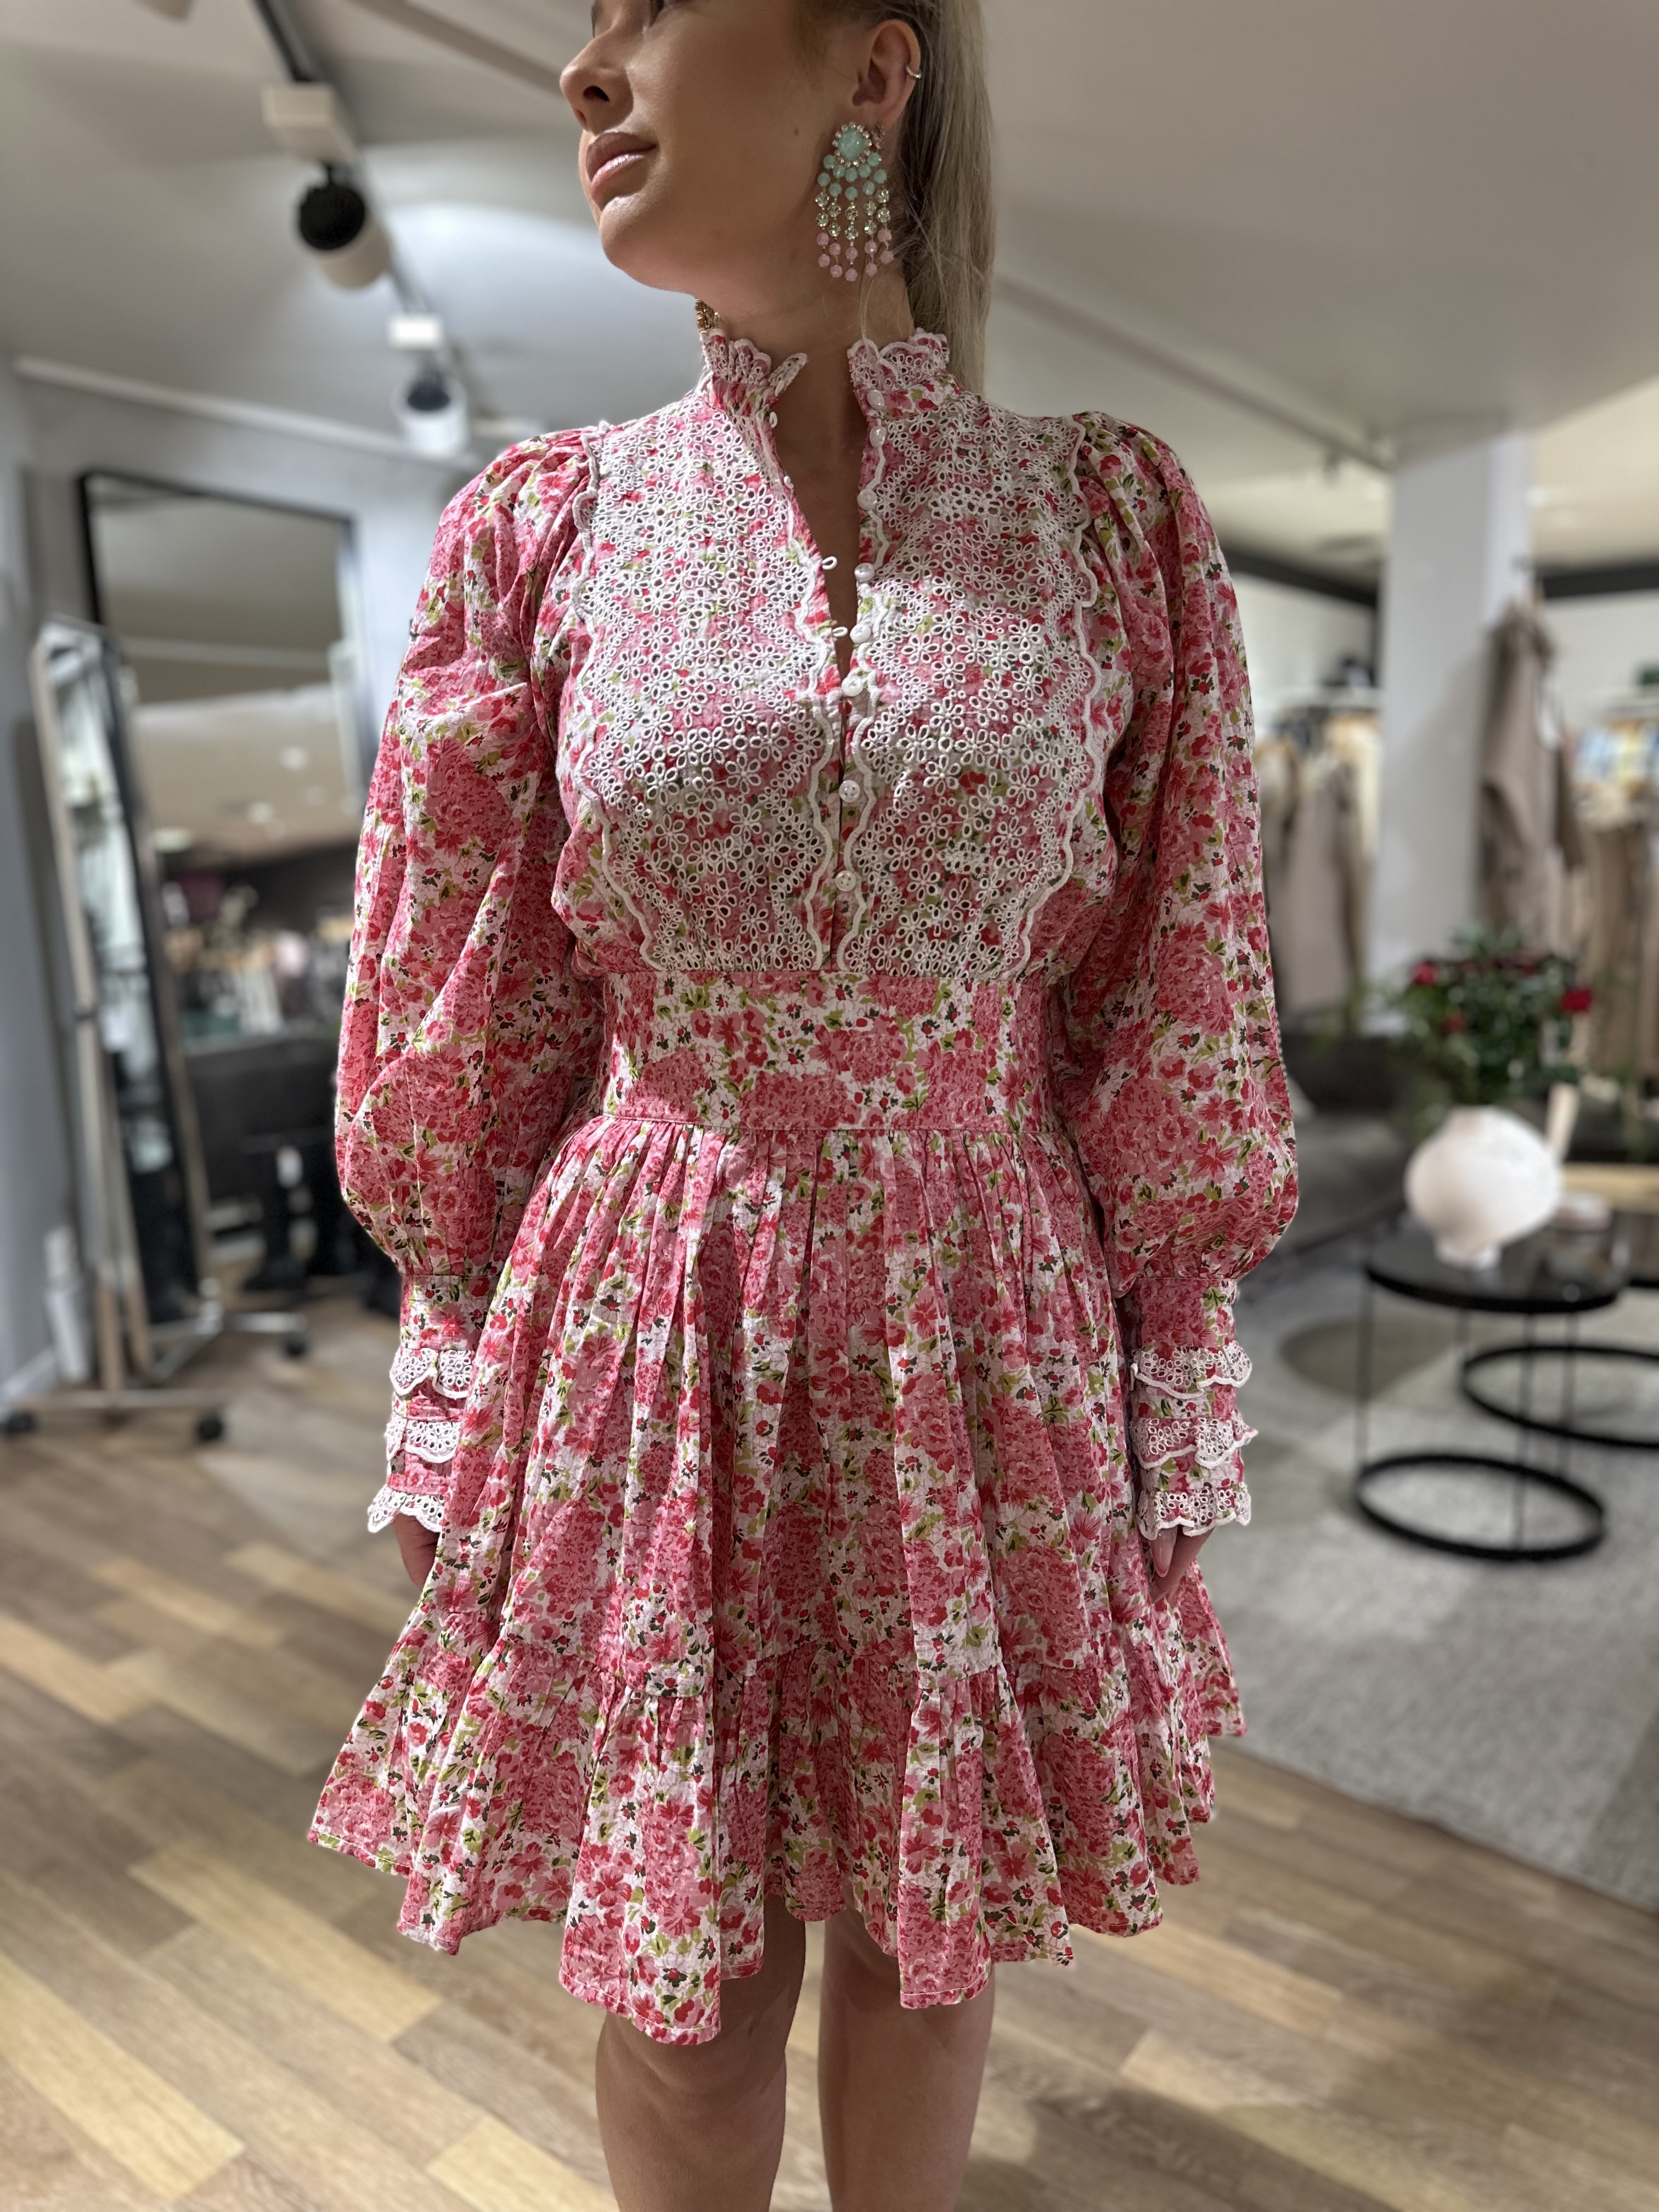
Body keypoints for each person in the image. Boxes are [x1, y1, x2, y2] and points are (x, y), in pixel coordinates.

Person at [309, 2, 1297, 2205]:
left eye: (652, 6)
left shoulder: (1107, 520)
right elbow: (476, 1019)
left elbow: (1176, 997)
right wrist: (449, 1388)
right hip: (654, 1327)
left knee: (931, 1956)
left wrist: (1174, 1378)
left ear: (872, 70)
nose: (588, 76)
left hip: (985, 1323)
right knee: (689, 1985)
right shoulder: (546, 533)